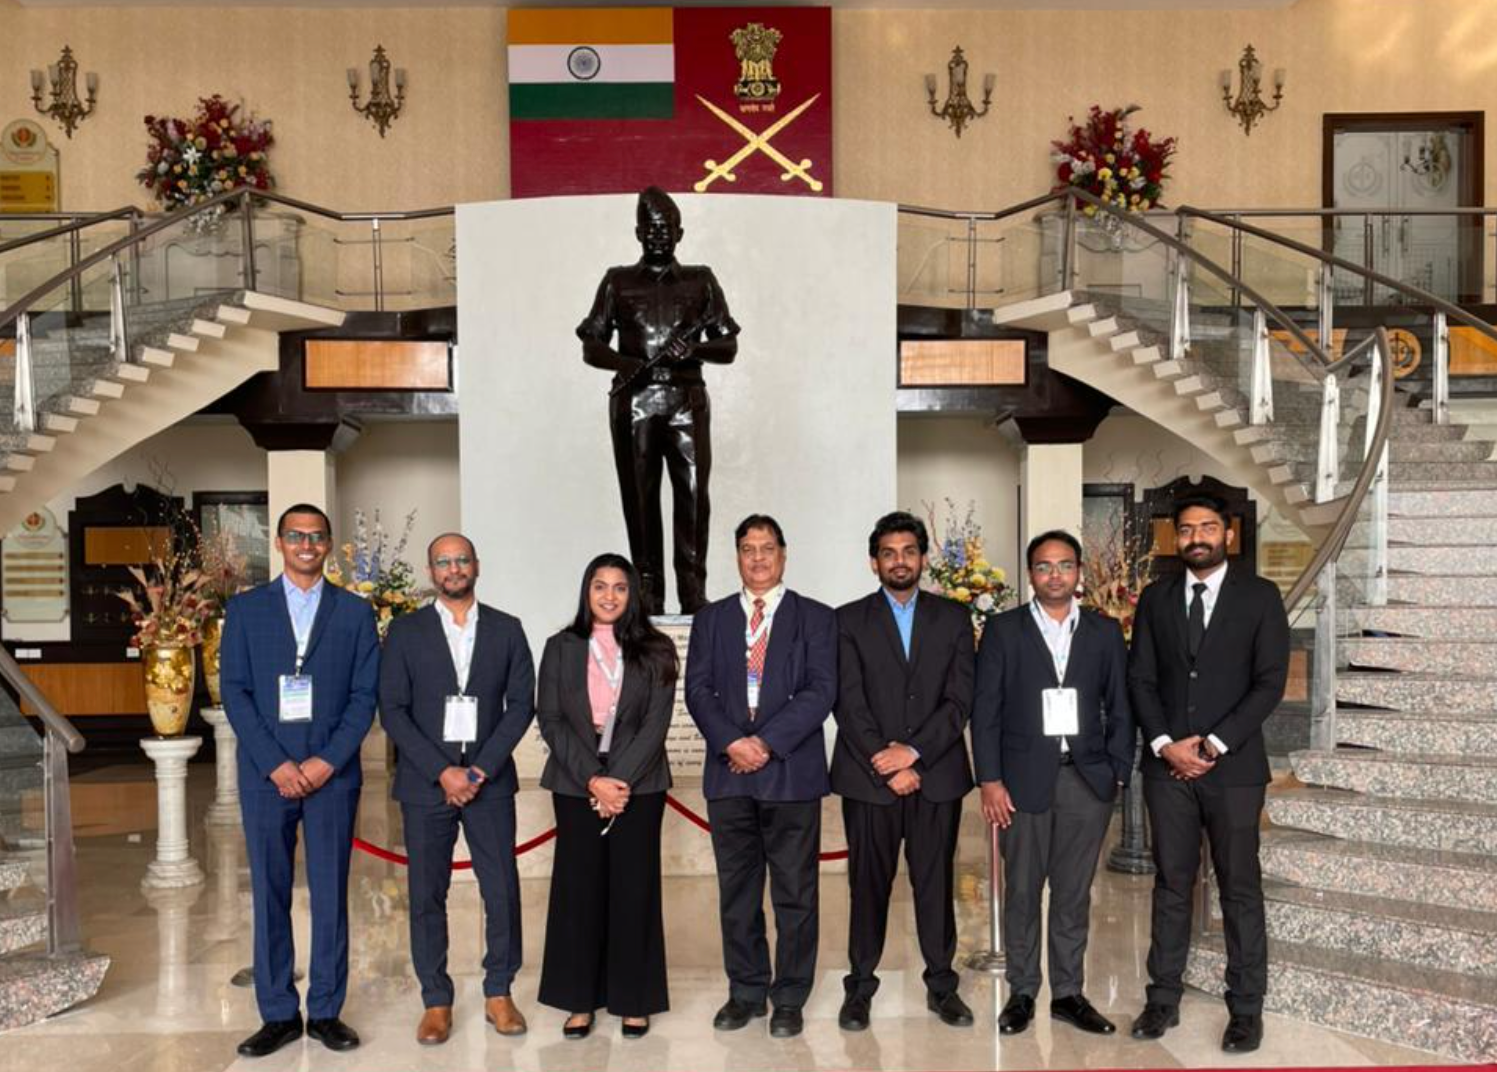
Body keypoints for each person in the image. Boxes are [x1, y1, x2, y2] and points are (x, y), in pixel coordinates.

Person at [1127, 493, 1289, 1054]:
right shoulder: (1155, 598)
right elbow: (1140, 678)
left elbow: (1270, 681)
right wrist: (1167, 744)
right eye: (1188, 528)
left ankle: (1245, 1009)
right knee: (1171, 885)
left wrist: (1214, 744)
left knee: (1239, 887)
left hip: (1235, 770)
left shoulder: (1262, 597)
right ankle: (1161, 998)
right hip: (1167, 768)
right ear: (1176, 537)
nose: (1198, 536)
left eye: (1209, 527)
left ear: (1228, 535)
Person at [220, 503, 379, 1057]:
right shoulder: (244, 611)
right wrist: (277, 764)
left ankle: (328, 1010)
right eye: (296, 536)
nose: (307, 544)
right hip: (268, 776)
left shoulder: (356, 614)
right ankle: (279, 1013)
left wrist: (324, 762)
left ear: (328, 545)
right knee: (269, 891)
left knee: (332, 892)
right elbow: (234, 693)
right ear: (281, 543)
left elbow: (364, 699)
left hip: (331, 777)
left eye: (316, 537)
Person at [971, 530, 1134, 1037]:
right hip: (1021, 783)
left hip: (1086, 782)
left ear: (1079, 572)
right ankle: (1022, 991)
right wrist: (990, 780)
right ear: (1030, 574)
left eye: (1065, 565)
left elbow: (1123, 709)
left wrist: (1115, 774)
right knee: (1021, 890)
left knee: (1072, 894)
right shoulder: (1003, 630)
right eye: (1044, 567)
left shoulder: (1105, 633)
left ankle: (1068, 993)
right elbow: (986, 711)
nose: (1055, 575)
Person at [378, 533, 535, 1044]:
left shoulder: (508, 630)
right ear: (431, 571)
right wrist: (442, 771)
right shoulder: (405, 632)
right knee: (427, 895)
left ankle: (498, 991)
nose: (453, 568)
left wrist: (480, 769)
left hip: (488, 785)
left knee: (501, 889)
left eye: (461, 560)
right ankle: (436, 1000)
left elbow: (520, 705)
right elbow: (393, 710)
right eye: (443, 562)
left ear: (476, 566)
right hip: (427, 787)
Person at [685, 514, 837, 1038]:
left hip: (791, 774)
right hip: (729, 775)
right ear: (737, 557)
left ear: (783, 554)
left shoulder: (815, 618)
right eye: (747, 549)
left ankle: (790, 996)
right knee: (738, 892)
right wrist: (733, 742)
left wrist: (765, 744)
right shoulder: (711, 619)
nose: (757, 558)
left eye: (766, 548)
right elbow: (697, 691)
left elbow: (821, 692)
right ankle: (746, 990)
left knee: (796, 893)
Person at [831, 511, 975, 1031]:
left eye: (909, 551)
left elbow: (960, 699)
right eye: (888, 553)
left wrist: (912, 754)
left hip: (936, 776)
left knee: (935, 884)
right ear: (874, 562)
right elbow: (847, 702)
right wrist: (885, 761)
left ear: (923, 558)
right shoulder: (847, 620)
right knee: (867, 886)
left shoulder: (954, 618)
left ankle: (942, 987)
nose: (899, 561)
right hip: (869, 781)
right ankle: (860, 989)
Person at [577, 185, 741, 616]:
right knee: (641, 500)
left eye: (666, 228)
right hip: (635, 403)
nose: (658, 236)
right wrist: (622, 362)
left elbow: (729, 345)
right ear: (637, 233)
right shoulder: (618, 281)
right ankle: (648, 599)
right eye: (650, 229)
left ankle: (693, 597)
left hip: (687, 400)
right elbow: (590, 343)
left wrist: (697, 351)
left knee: (692, 498)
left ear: (679, 232)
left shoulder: (700, 280)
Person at [535, 553, 679, 1040]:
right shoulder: (561, 646)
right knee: (579, 893)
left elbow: (657, 724)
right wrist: (592, 780)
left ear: (632, 595)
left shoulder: (657, 649)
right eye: (601, 586)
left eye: (620, 587)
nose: (610, 596)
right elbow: (550, 719)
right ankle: (578, 1000)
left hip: (640, 785)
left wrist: (617, 779)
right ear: (586, 591)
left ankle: (633, 1001)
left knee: (633, 892)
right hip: (576, 785)